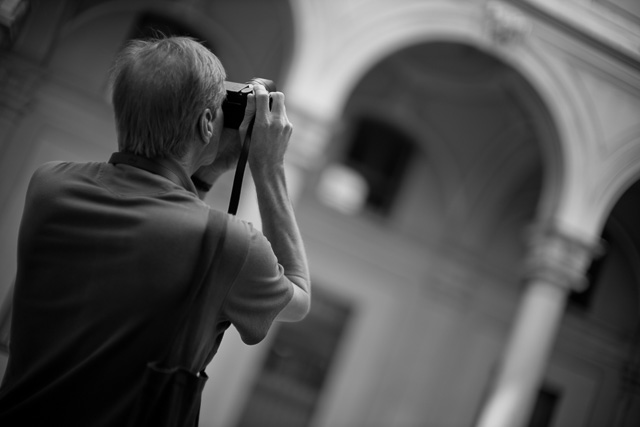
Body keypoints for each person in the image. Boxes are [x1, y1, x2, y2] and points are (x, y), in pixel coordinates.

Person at [0, 36, 310, 425]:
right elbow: (298, 297)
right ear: (207, 122)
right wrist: (269, 167)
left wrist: (208, 167)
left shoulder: (51, 185)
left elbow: (155, 220)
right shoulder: (232, 243)